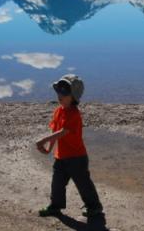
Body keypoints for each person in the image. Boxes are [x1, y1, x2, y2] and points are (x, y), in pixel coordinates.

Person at [35, 74, 103, 218]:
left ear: (73, 97)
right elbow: (55, 130)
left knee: (83, 185)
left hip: (77, 157)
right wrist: (49, 149)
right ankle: (55, 206)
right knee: (57, 183)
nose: (60, 95)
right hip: (61, 156)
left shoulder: (74, 114)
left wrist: (44, 140)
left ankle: (95, 207)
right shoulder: (58, 111)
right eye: (59, 91)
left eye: (64, 93)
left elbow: (63, 132)